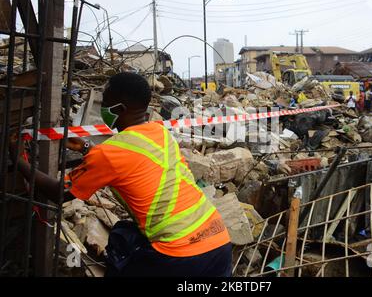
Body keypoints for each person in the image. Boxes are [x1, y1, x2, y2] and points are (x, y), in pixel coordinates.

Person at [10, 72, 232, 277]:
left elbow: (59, 193)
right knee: (125, 233)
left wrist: (18, 159)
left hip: (181, 254)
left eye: (105, 101)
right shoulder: (159, 133)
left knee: (120, 244)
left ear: (120, 108)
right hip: (219, 241)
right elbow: (130, 160)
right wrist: (87, 148)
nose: (103, 106)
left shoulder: (110, 153)